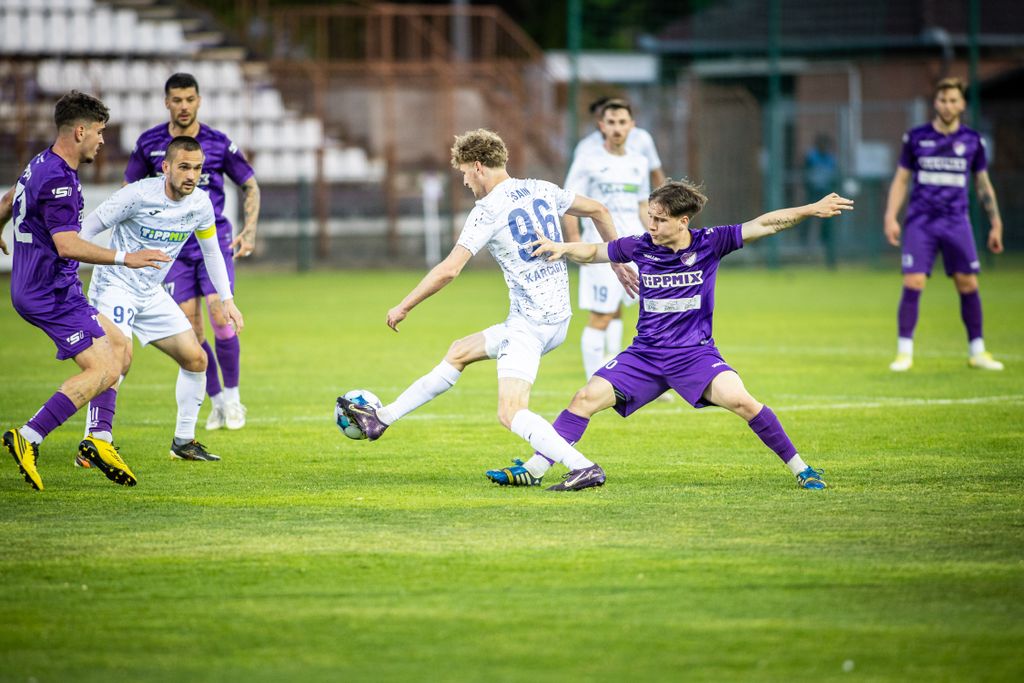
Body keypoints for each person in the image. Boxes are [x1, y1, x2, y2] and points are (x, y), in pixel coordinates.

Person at [486, 180, 854, 491]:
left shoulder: (711, 242)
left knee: (743, 402)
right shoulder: (641, 245)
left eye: (660, 220)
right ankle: (533, 470)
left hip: (694, 356)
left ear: (683, 221)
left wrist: (809, 209)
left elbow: (765, 224)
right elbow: (595, 251)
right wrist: (564, 248)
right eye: (650, 217)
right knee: (583, 399)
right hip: (644, 356)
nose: (652, 225)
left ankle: (802, 469)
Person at [336, 129, 635, 488]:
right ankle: (381, 418)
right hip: (556, 319)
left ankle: (583, 466)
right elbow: (599, 209)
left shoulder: (488, 210)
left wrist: (404, 305)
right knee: (459, 352)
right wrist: (617, 260)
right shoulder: (541, 188)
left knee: (510, 413)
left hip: (531, 325)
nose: (464, 181)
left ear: (478, 166)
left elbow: (449, 270)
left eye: (464, 173)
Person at [0, 91, 170, 490]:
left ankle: (99, 439)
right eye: (99, 131)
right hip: (49, 292)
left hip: (51, 287)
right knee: (103, 369)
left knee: (120, 348)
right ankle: (28, 437)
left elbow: (8, 200)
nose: (102, 140)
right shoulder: (59, 179)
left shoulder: (40, 163)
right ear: (80, 131)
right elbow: (67, 245)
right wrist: (127, 258)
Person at [78, 136, 244, 464]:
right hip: (115, 286)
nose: (191, 175)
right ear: (166, 167)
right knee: (117, 359)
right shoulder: (137, 195)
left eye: (197, 168)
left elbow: (212, 252)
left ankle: (183, 442)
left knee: (196, 359)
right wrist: (77, 269)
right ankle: (94, 443)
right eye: (184, 167)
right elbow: (86, 229)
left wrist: (227, 299)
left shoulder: (200, 203)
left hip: (151, 292)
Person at [125, 72, 260, 429]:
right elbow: (128, 191)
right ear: (166, 102)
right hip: (171, 248)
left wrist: (249, 229)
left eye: (189, 99)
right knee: (192, 328)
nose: (183, 106)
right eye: (177, 100)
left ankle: (234, 400)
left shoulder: (217, 143)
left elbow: (250, 184)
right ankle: (217, 402)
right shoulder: (149, 144)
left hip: (212, 241)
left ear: (199, 101)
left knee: (220, 316)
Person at [883, 77, 1005, 372]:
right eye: (942, 100)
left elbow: (983, 184)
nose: (947, 105)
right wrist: (890, 216)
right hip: (921, 222)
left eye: (953, 100)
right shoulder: (915, 138)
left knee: (968, 283)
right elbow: (901, 180)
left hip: (956, 222)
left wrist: (996, 223)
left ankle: (977, 351)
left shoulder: (973, 141)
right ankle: (904, 353)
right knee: (913, 281)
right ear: (935, 103)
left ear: (962, 105)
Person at [563, 99, 650, 378]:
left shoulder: (639, 162)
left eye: (622, 122)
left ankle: (627, 376)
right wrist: (575, 242)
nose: (617, 128)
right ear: (602, 126)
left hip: (635, 248)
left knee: (631, 312)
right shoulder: (588, 160)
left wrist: (655, 239)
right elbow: (567, 203)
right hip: (602, 250)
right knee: (601, 315)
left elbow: (642, 206)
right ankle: (593, 383)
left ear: (631, 125)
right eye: (611, 122)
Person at [573, 95, 666, 190]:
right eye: (599, 117)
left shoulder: (641, 140)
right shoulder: (585, 147)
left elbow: (656, 174)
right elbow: (574, 189)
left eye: (621, 121)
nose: (616, 128)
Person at [802, 133, 839, 268]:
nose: (824, 147)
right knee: (807, 222)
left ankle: (829, 256)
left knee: (827, 227)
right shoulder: (811, 157)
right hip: (813, 194)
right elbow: (805, 173)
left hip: (826, 195)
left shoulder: (831, 159)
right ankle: (806, 252)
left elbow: (835, 177)